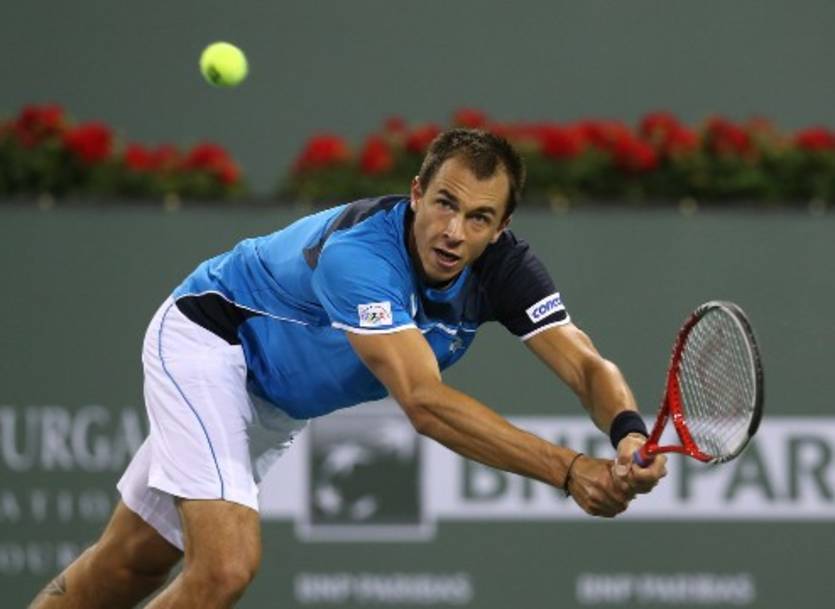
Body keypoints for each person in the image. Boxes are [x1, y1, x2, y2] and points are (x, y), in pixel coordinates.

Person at [28, 129, 667, 609]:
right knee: (224, 569)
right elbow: (423, 402)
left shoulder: (505, 270)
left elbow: (584, 364)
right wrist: (568, 470)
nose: (453, 230)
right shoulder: (360, 256)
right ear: (416, 194)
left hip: (273, 401)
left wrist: (627, 432)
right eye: (444, 203)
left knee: (131, 562)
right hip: (212, 338)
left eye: (478, 218)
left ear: (500, 229)